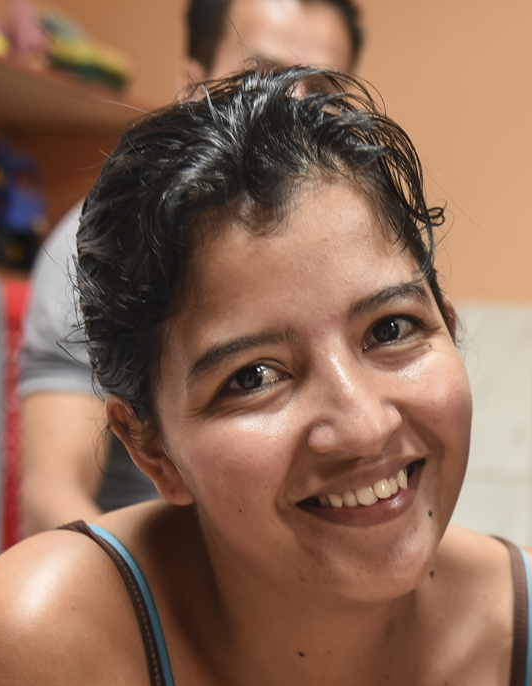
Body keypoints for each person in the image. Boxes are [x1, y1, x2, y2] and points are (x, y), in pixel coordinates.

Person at [0, 68, 532, 686]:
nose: (362, 425)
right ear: (150, 448)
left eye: (393, 329)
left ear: (449, 322)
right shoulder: (50, 654)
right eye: (253, 376)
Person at [18, 0, 363, 536]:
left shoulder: (353, 233)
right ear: (191, 86)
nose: (291, 106)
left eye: (321, 92)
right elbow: (50, 494)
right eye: (261, 77)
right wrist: (151, 610)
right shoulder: (99, 250)